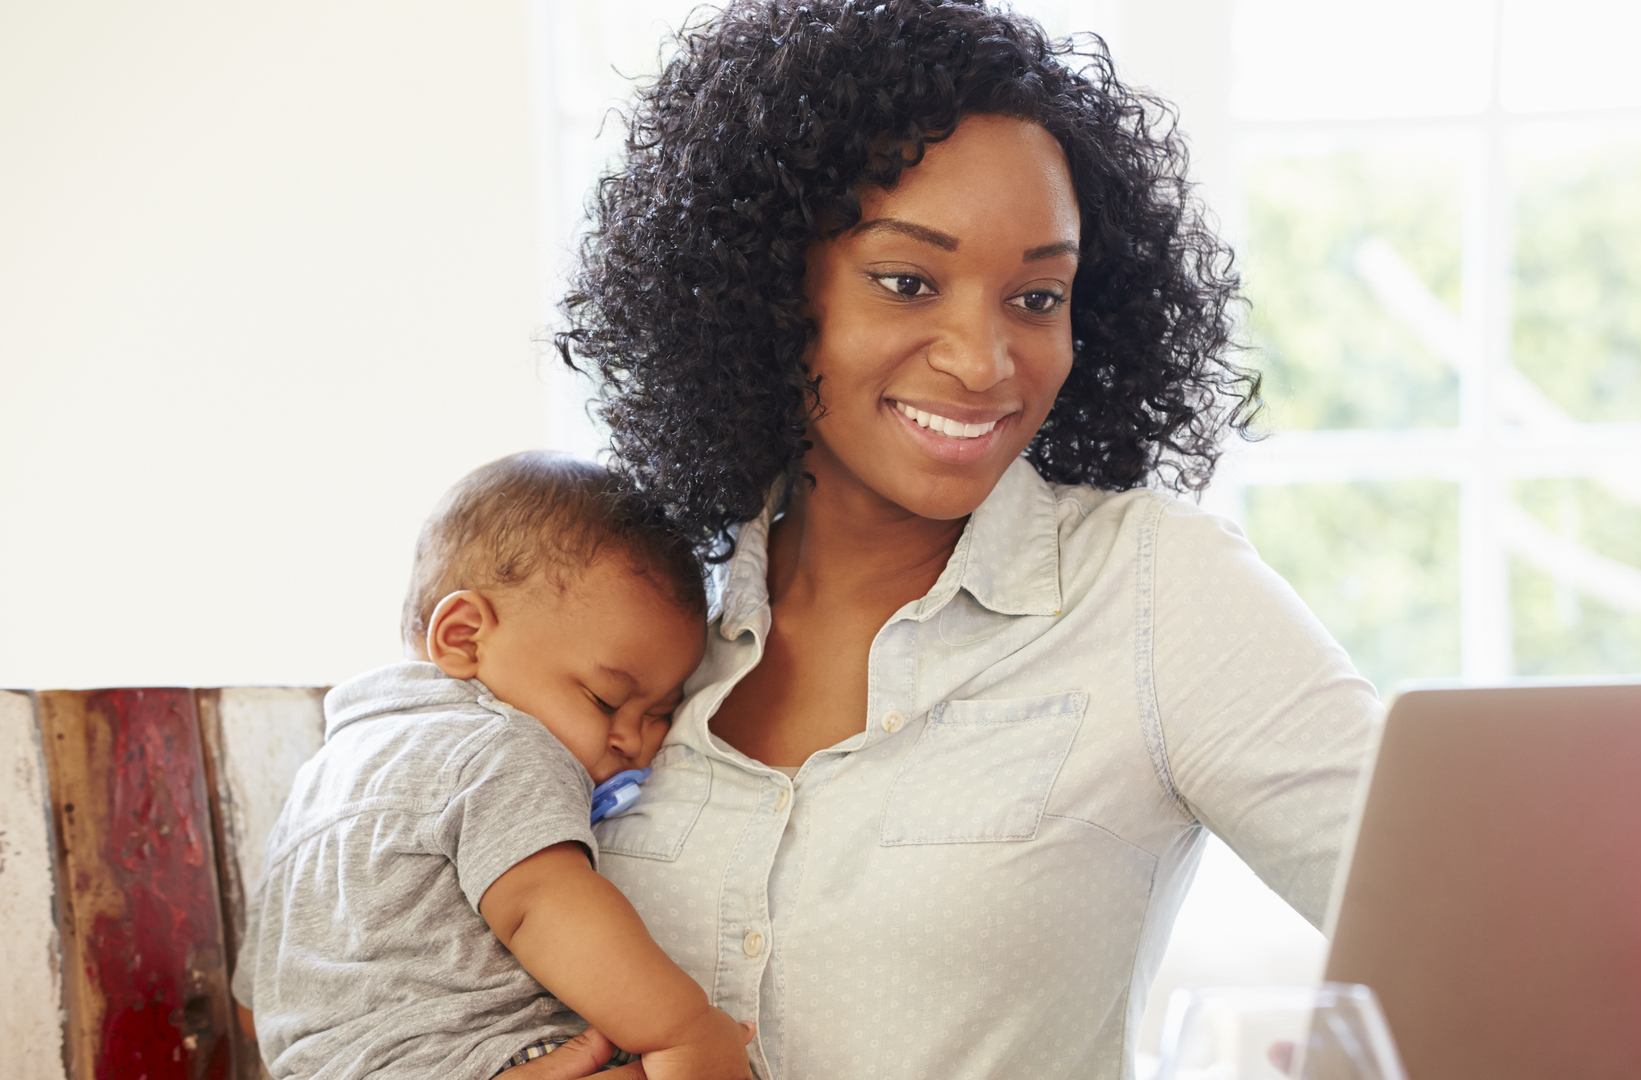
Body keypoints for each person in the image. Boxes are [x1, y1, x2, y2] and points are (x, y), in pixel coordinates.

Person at [551, 1, 1382, 1075]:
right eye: (908, 282)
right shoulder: (635, 600)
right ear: (768, 288)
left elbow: (1475, 928)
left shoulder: (1151, 594)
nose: (985, 360)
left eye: (1038, 296)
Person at [230, 452, 753, 1079]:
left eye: (660, 713)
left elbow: (251, 1007)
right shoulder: (497, 745)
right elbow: (539, 902)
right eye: (606, 699)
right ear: (463, 638)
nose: (635, 741)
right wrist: (686, 1030)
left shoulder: (315, 787)